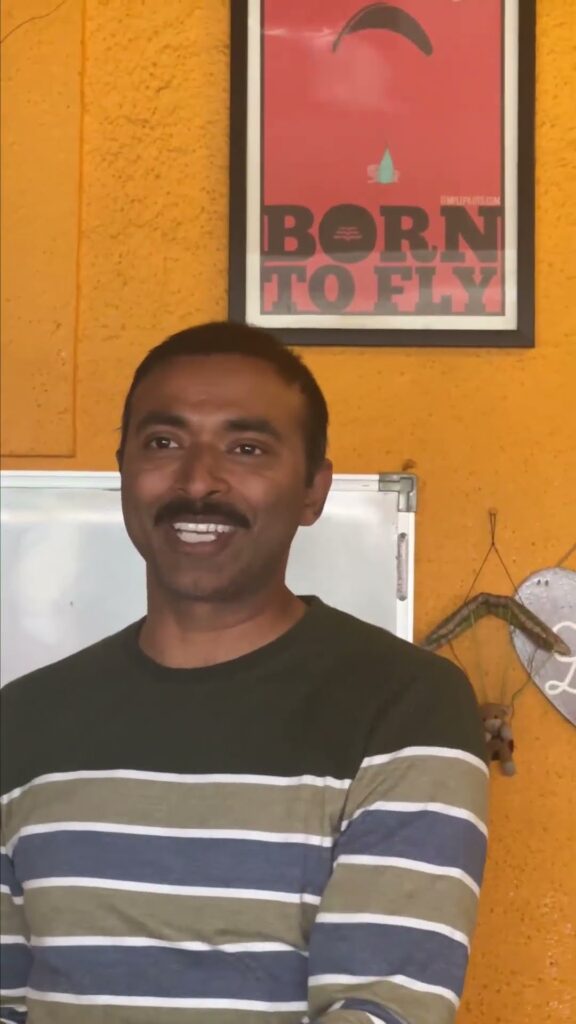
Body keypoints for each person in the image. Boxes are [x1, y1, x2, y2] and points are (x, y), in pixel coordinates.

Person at [0, 321, 488, 1024]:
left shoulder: (404, 705)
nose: (198, 480)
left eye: (247, 448)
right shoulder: (22, 721)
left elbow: (383, 1008)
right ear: (123, 471)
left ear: (314, 490)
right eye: (163, 443)